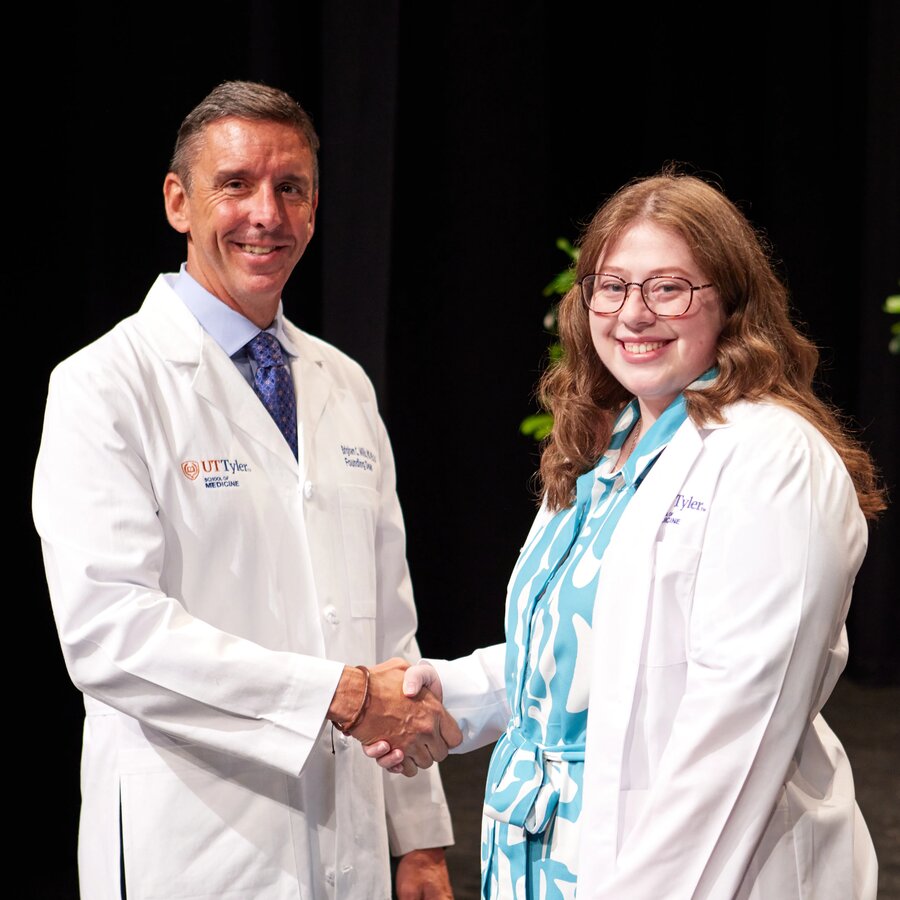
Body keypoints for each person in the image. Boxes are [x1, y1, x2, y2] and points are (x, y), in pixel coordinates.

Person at [366, 167, 886, 898]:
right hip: (548, 858)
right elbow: (591, 648)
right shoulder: (605, 450)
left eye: (669, 287)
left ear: (732, 303)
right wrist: (454, 690)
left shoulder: (774, 458)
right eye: (612, 286)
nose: (633, 313)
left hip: (680, 871)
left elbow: (735, 737)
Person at [32, 79, 462, 900]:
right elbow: (108, 632)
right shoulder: (103, 385)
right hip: (194, 844)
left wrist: (420, 836)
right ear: (178, 202)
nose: (266, 213)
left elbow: (391, 626)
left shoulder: (344, 384)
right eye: (236, 184)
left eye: (291, 188)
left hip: (351, 844)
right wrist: (329, 695)